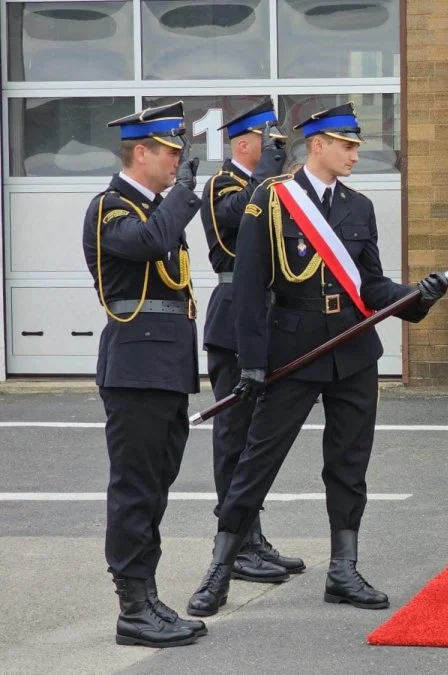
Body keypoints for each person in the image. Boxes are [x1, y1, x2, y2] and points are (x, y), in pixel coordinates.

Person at [187, 102, 448, 617]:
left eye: (356, 145)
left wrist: (419, 296)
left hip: (352, 348)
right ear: (318, 145)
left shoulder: (358, 207)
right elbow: (249, 285)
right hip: (293, 347)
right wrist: (253, 365)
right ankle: (221, 565)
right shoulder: (272, 199)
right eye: (347, 145)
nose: (355, 154)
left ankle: (343, 570)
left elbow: (370, 286)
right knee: (258, 459)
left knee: (349, 463)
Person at [82, 101, 207, 646]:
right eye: (170, 152)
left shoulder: (155, 208)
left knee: (156, 486)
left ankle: (147, 594)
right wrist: (182, 199)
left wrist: (174, 200)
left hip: (165, 367)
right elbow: (150, 244)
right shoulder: (113, 207)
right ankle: (133, 605)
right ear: (141, 152)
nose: (178, 162)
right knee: (135, 488)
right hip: (136, 367)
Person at [199, 100, 303, 583]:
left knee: (257, 441)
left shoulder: (264, 183)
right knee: (234, 436)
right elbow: (236, 221)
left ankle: (251, 537)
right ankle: (235, 544)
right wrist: (267, 176)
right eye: (267, 143)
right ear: (244, 144)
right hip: (234, 319)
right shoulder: (224, 183)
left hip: (268, 316)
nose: (276, 151)